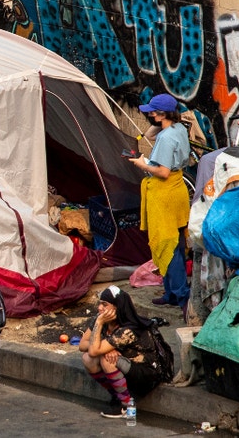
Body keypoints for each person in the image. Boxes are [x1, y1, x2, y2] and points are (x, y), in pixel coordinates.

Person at [128, 93, 192, 310]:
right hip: (178, 191)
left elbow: (163, 172)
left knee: (168, 245)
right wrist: (159, 120)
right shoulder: (179, 128)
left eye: (153, 112)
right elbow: (151, 133)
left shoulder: (166, 138)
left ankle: (180, 294)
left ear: (163, 113)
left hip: (165, 194)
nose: (150, 114)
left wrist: (141, 164)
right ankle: (172, 292)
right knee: (178, 244)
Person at [80, 285, 168, 418]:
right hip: (125, 367)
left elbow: (93, 350)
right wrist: (106, 346)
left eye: (105, 305)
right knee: (88, 359)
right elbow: (82, 345)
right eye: (100, 304)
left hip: (146, 373)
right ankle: (118, 395)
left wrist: (101, 340)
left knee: (107, 359)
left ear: (116, 307)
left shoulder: (128, 329)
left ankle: (126, 405)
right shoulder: (101, 319)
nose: (100, 308)